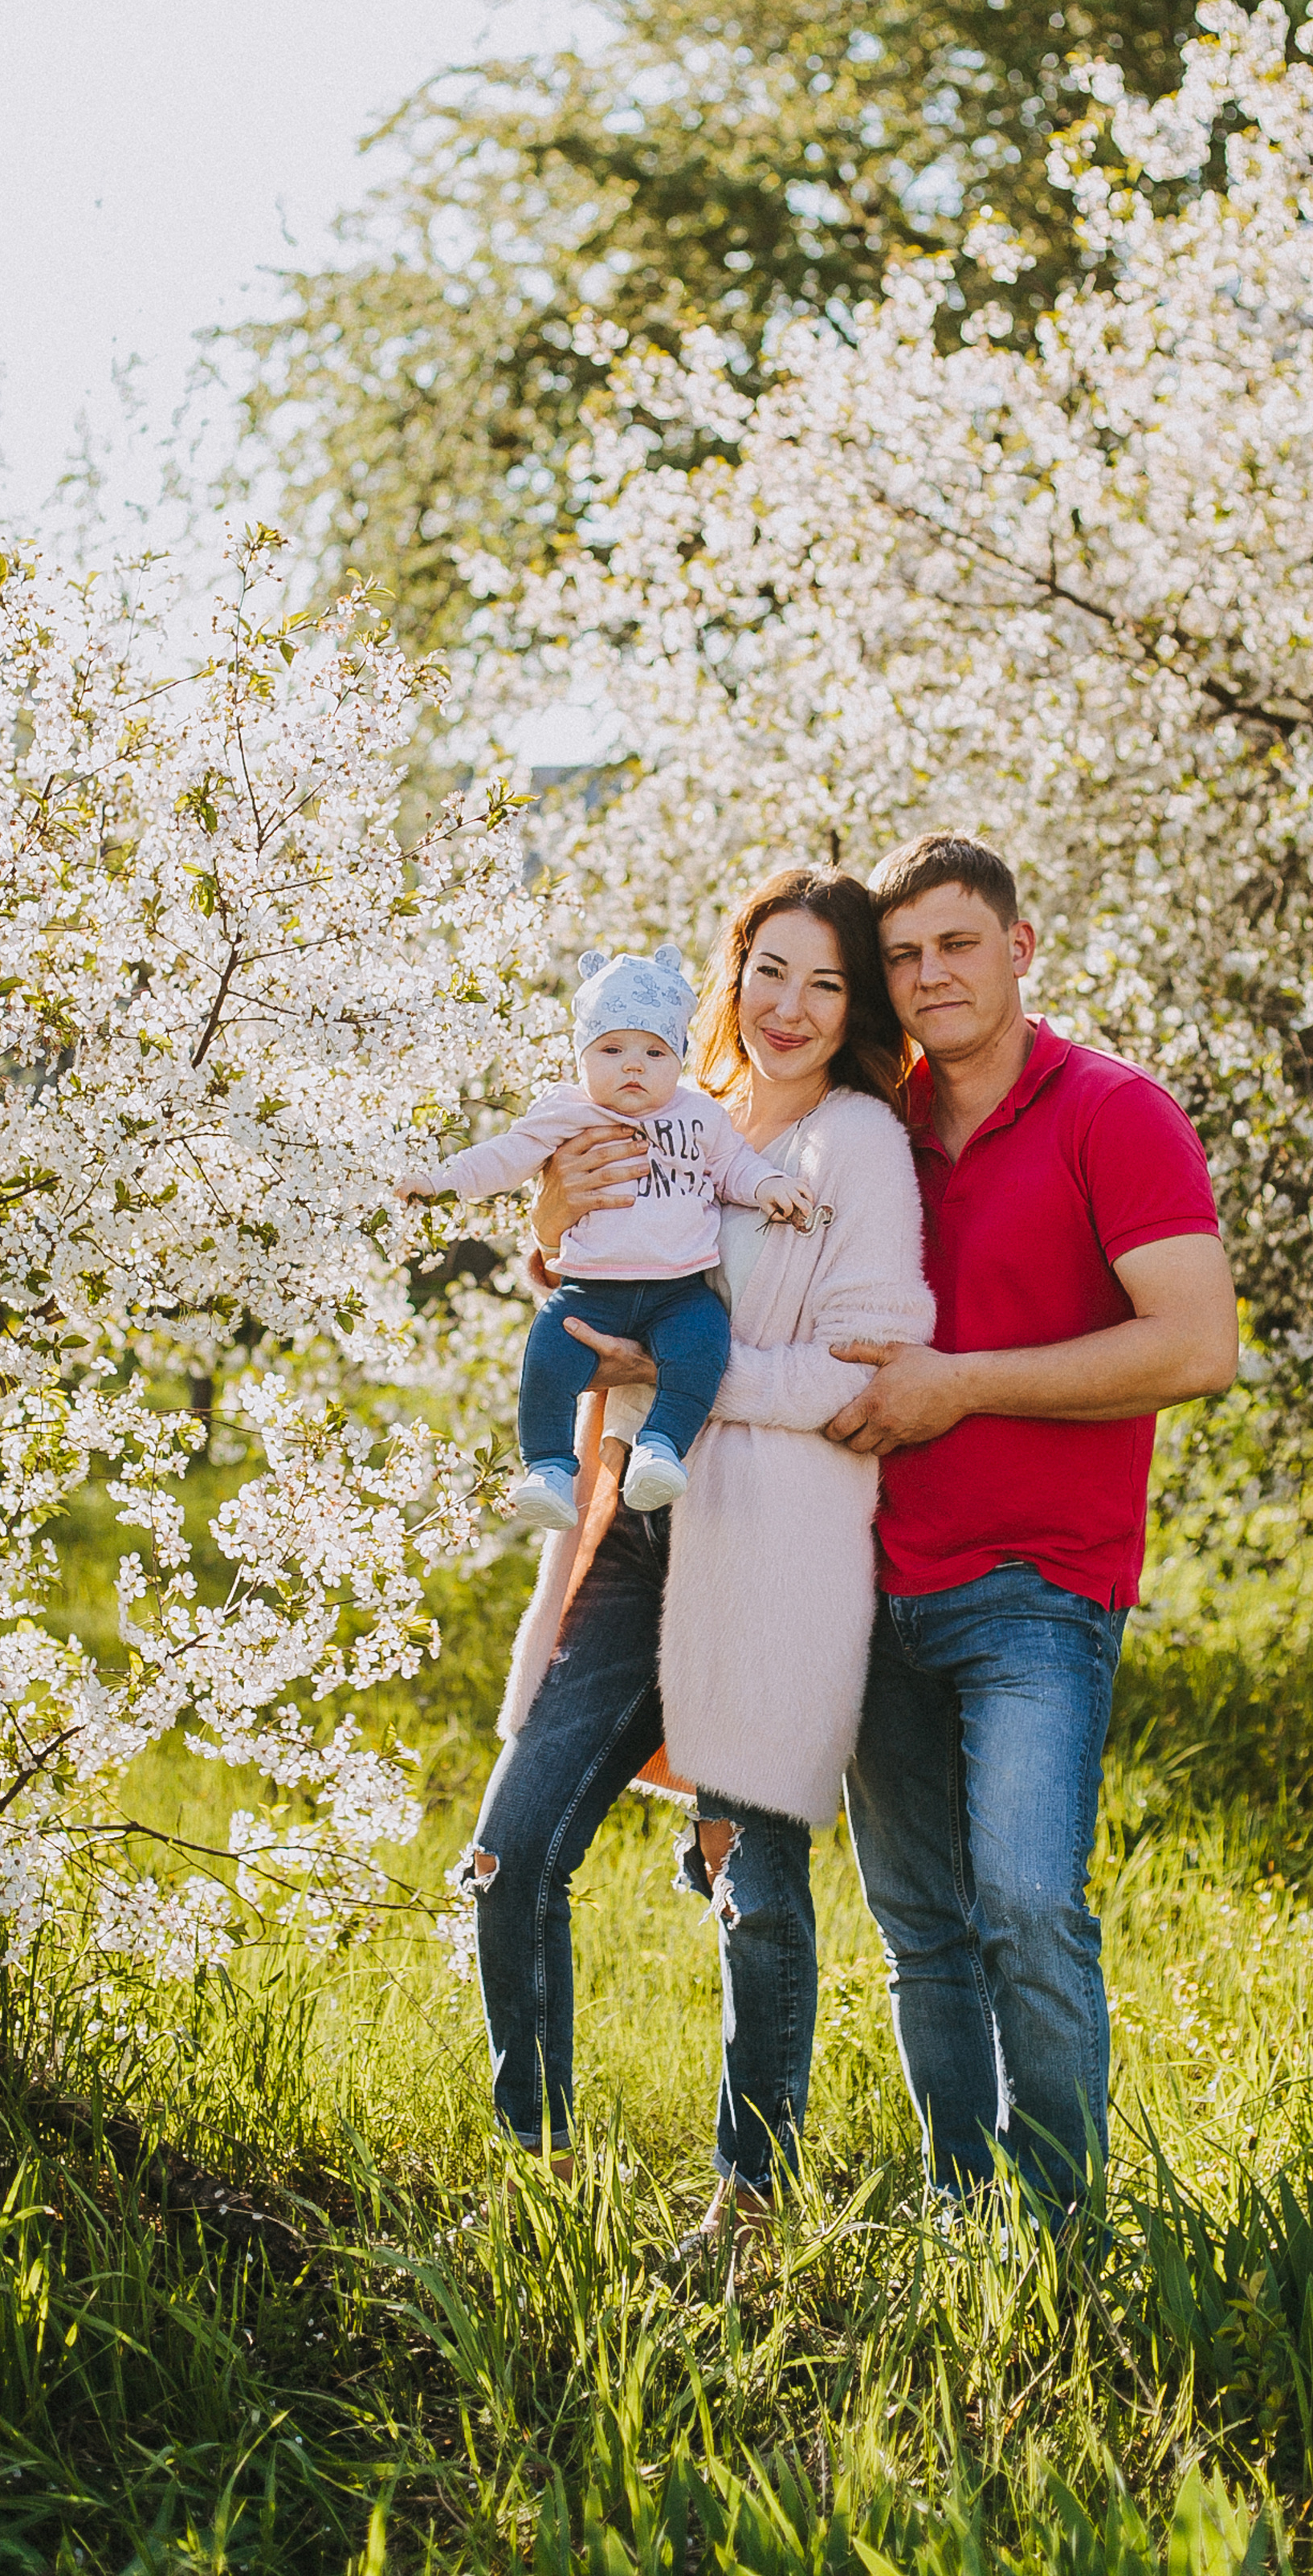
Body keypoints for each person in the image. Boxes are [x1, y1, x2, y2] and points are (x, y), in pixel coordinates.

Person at [462, 869, 933, 2225]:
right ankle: (541, 2176)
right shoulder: (677, 1108)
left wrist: (679, 1380)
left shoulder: (857, 1147)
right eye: (769, 971)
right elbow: (586, 1272)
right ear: (730, 977)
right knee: (510, 1856)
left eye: (826, 983)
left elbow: (864, 1371)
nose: (791, 1006)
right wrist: (551, 1232)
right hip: (637, 1532)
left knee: (755, 1888)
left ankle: (751, 2204)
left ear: (856, 1007)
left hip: (772, 1549)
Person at [823, 832, 1238, 2214]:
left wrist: (960, 1387)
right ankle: (965, 2214)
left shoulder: (1114, 1112)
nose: (931, 974)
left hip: (1036, 1589)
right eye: (903, 955)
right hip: (863, 1582)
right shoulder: (869, 1129)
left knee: (1027, 1906)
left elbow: (1195, 1346)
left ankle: (1064, 2229)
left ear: (1020, 947)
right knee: (922, 1928)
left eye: (957, 943)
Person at [402, 945, 813, 1531]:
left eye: (654, 1052)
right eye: (612, 1050)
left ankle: (661, 1448)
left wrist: (768, 1183)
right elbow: (505, 1156)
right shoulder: (567, 1111)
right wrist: (441, 1182)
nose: (633, 1067)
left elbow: (733, 1167)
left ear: (679, 1058)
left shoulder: (700, 1115)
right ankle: (547, 1468)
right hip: (591, 1290)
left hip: (680, 1290)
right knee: (548, 1357)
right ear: (583, 1056)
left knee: (703, 1349)